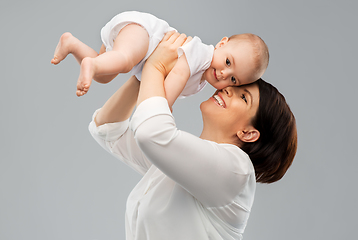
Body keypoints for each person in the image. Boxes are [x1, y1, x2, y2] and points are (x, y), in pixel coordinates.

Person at [88, 31, 297, 239]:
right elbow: (108, 130)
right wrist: (143, 74)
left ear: (249, 133)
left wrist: (157, 66)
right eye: (234, 84)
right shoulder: (185, 163)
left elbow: (149, 133)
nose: (228, 89)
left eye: (243, 97)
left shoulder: (236, 172)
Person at [51, 11, 269, 107]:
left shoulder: (199, 85)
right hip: (145, 34)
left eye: (233, 80)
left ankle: (72, 44)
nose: (223, 74)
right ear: (221, 44)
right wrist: (164, 109)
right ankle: (93, 63)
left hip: (141, 55)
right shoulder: (203, 54)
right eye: (228, 62)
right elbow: (177, 74)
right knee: (124, 61)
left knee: (105, 76)